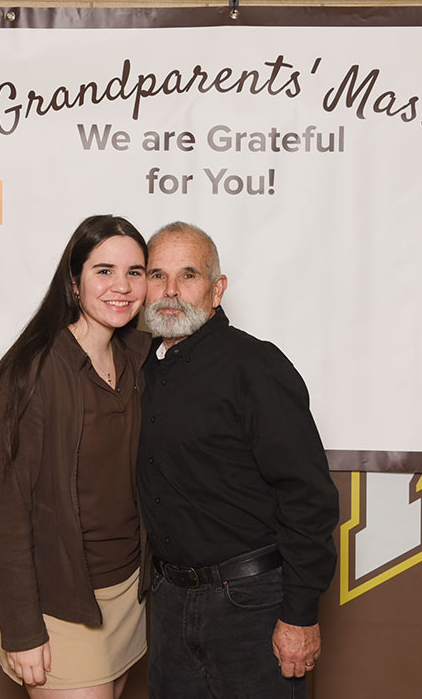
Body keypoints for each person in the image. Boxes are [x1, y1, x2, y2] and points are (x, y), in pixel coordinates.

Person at [136, 221, 339, 699]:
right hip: (168, 602)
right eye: (157, 275)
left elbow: (307, 496)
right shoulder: (140, 367)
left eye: (188, 275)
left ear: (217, 288)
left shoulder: (256, 366)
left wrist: (300, 614)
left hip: (250, 605)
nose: (170, 291)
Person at [0, 215, 152, 698]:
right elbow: (7, 513)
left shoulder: (139, 360)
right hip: (59, 601)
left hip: (127, 591)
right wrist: (22, 630)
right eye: (104, 270)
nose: (122, 286)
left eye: (135, 272)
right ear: (74, 282)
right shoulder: (32, 373)